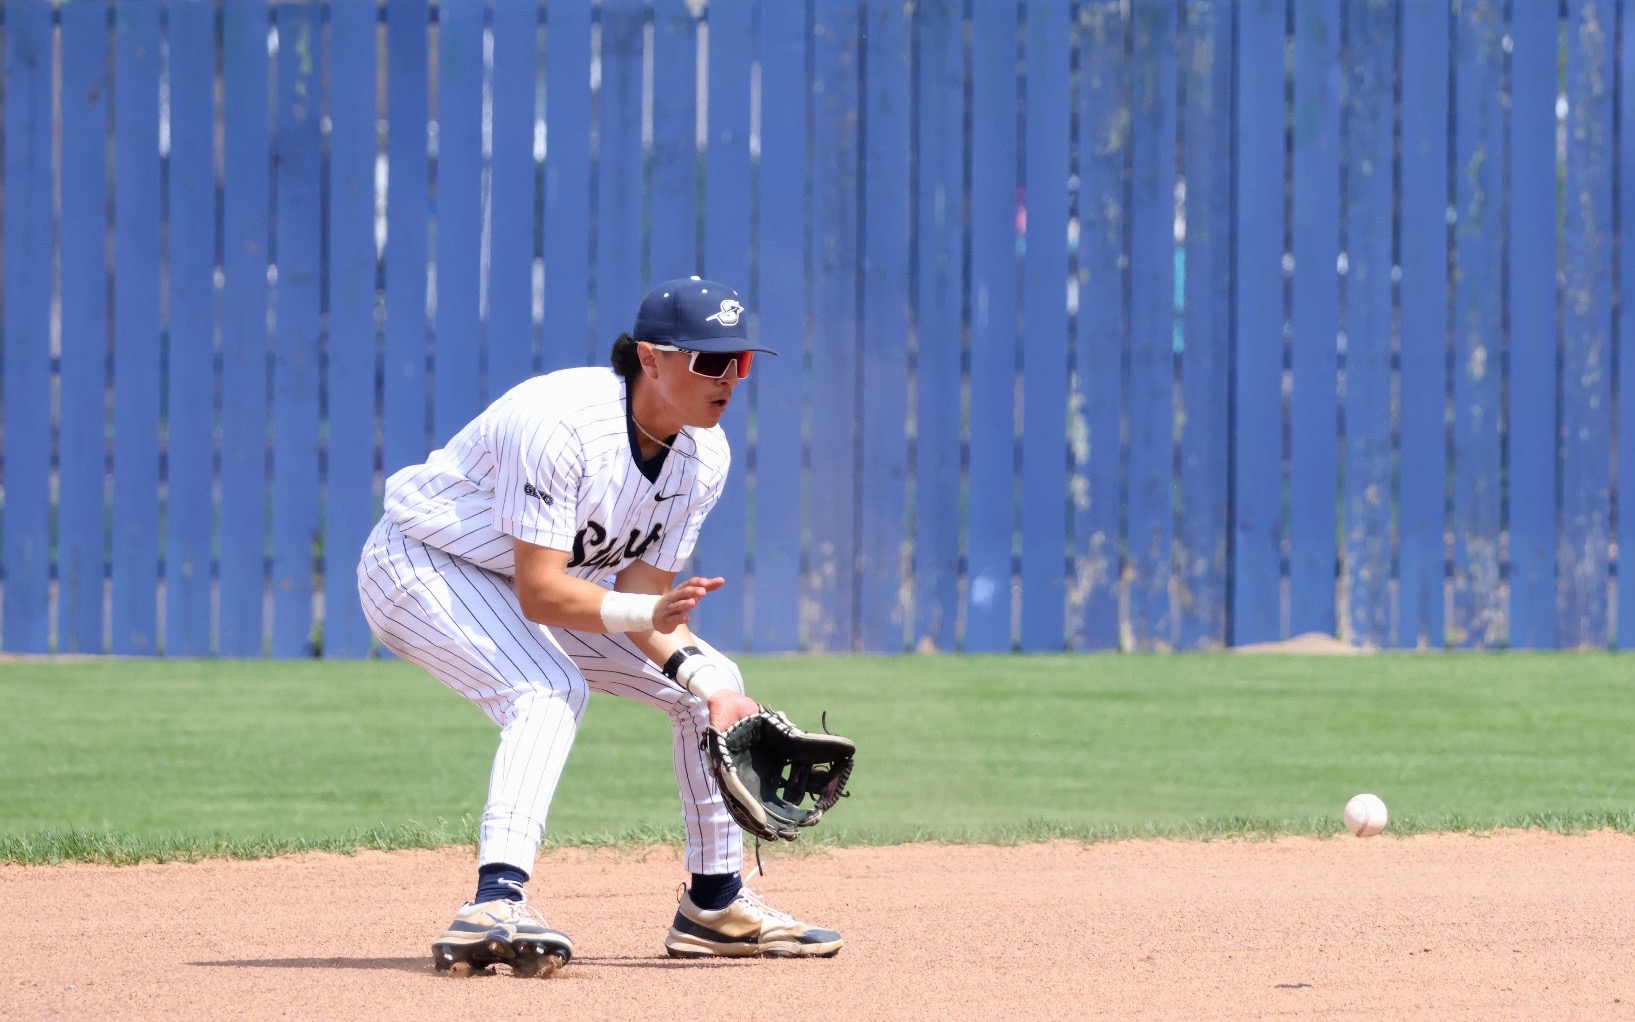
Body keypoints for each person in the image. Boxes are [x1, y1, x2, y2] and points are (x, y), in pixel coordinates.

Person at [356, 276, 843, 975]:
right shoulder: (560, 425)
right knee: (546, 689)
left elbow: (644, 597)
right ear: (651, 358)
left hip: (536, 584)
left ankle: (714, 904)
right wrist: (647, 614)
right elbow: (542, 593)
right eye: (710, 361)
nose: (729, 379)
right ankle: (496, 901)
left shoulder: (703, 457)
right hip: (420, 564)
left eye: (737, 362)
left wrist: (706, 683)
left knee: (713, 686)